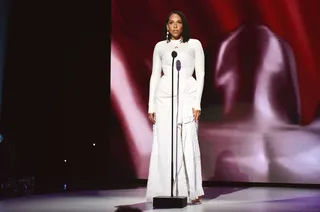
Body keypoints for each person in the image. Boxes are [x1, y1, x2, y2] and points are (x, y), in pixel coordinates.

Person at [146, 10, 205, 204]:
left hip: (187, 95)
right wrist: (151, 104)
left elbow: (201, 74)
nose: (175, 26)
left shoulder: (194, 44)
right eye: (171, 23)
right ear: (166, 26)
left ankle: (191, 191)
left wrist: (197, 102)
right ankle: (165, 189)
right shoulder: (160, 47)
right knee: (165, 143)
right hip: (164, 97)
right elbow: (155, 75)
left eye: (178, 22)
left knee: (187, 141)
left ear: (183, 25)